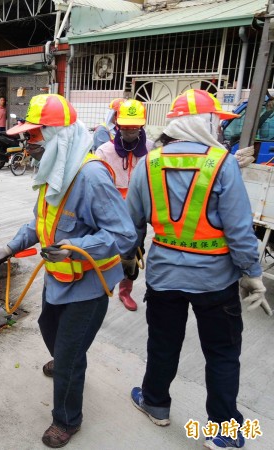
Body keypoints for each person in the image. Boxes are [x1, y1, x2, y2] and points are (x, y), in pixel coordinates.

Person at [125, 89, 273, 450]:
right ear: (203, 122)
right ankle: (223, 431)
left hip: (164, 277)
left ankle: (156, 403)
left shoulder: (149, 162)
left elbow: (132, 224)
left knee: (163, 344)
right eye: (215, 121)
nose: (218, 128)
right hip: (215, 281)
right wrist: (252, 273)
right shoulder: (221, 163)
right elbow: (238, 229)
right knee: (222, 353)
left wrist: (129, 262)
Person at [0, 94, 137, 448]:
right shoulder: (55, 172)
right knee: (47, 325)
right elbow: (40, 222)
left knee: (69, 355)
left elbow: (124, 234)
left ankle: (67, 419)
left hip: (90, 282)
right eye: (27, 136)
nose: (28, 144)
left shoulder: (91, 177)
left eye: (35, 136)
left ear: (59, 137)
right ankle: (70, 359)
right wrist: (9, 248)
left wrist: (77, 247)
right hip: (59, 276)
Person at [95, 99, 154, 312]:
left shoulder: (151, 149)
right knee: (106, 255)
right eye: (126, 126)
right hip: (111, 213)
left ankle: (125, 292)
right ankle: (101, 293)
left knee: (134, 255)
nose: (130, 131)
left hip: (138, 215)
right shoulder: (104, 151)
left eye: (135, 127)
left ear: (142, 125)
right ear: (117, 124)